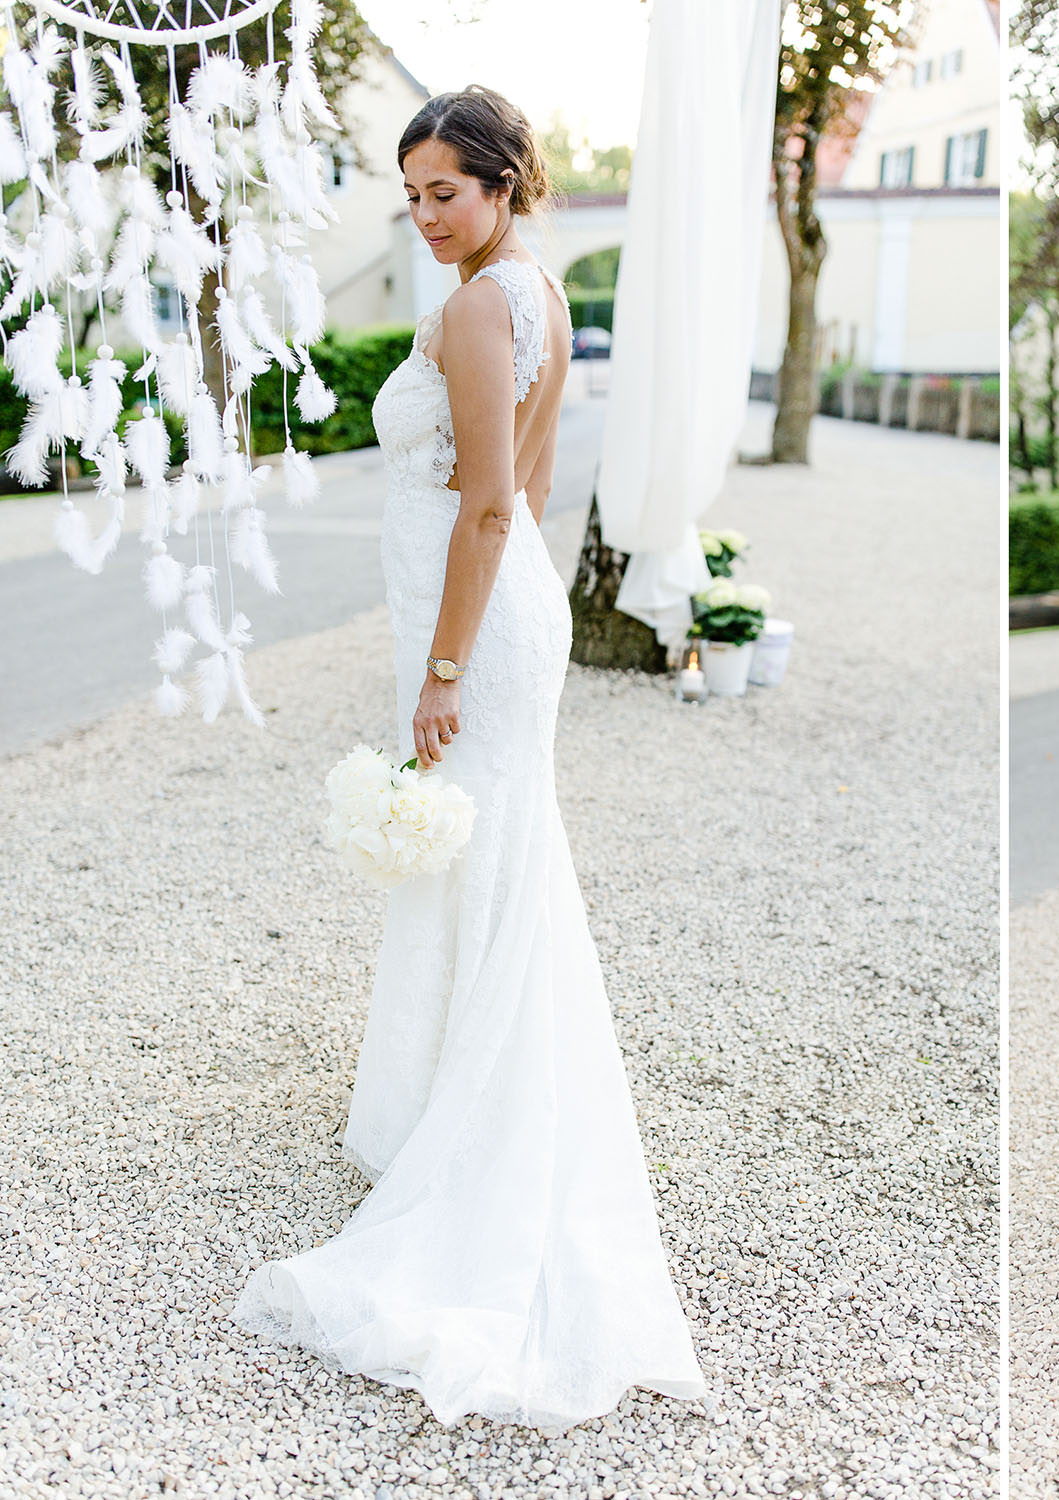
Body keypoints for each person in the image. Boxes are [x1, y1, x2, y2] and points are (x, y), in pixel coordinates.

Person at [233, 86, 705, 1428]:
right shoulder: (530, 293)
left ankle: (488, 1126)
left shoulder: (489, 304)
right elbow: (525, 490)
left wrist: (446, 668)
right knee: (485, 859)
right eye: (413, 196)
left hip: (477, 634)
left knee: (490, 861)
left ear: (506, 183)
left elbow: (496, 503)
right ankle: (450, 1091)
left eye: (448, 191)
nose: (427, 216)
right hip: (486, 616)